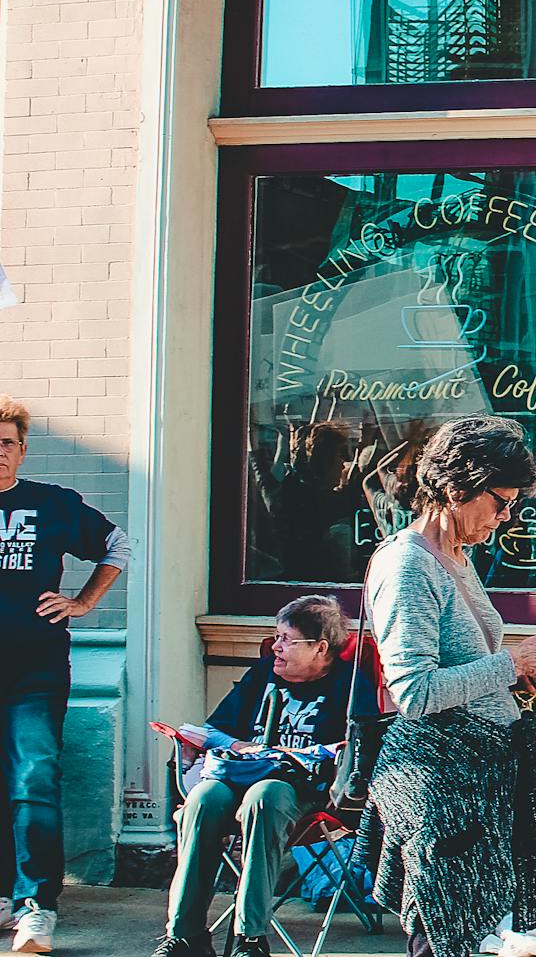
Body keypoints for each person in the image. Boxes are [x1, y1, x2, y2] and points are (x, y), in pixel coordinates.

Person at [358, 416, 536, 957]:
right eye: (500, 502)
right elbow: (413, 692)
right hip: (442, 784)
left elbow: (470, 673)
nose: (507, 517)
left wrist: (530, 676)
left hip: (479, 775)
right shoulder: (409, 564)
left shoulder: (457, 557)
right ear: (457, 486)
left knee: (478, 934)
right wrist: (513, 662)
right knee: (446, 938)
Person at [0, 395, 131, 955]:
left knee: (33, 780)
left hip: (34, 671)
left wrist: (83, 602)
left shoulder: (51, 504)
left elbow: (118, 544)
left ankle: (35, 909)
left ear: (23, 451)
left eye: (7, 443)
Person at [152, 596, 356, 957]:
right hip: (239, 776)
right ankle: (186, 937)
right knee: (202, 799)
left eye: (286, 640)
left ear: (320, 648)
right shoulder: (264, 672)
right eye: (275, 637)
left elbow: (354, 747)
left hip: (300, 789)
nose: (276, 647)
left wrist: (292, 756)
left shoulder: (347, 685)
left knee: (266, 795)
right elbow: (215, 729)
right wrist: (241, 745)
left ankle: (250, 938)